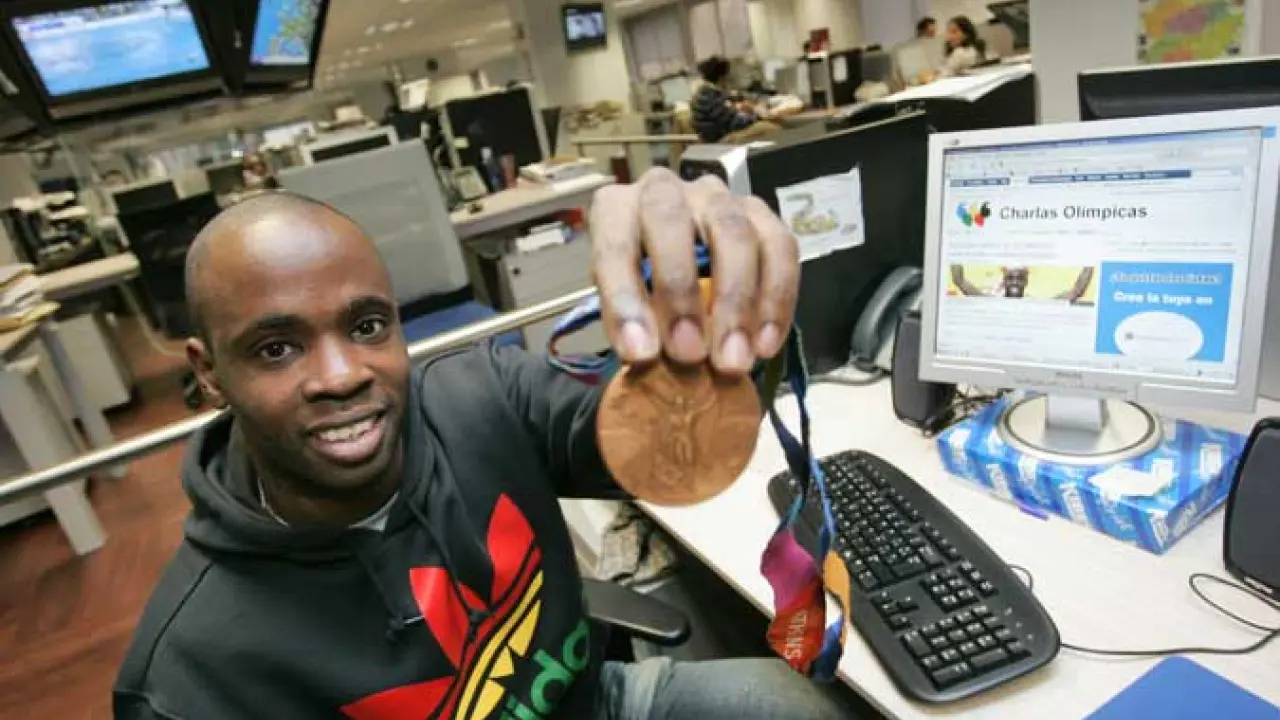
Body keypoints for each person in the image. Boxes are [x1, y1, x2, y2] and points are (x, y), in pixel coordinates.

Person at [112, 169, 857, 719]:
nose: (341, 376)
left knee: (791, 706)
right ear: (208, 373)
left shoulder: (480, 397)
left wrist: (712, 313)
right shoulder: (190, 673)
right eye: (276, 348)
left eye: (367, 326)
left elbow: (674, 441)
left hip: (591, 705)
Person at [691, 55, 760, 143]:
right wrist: (756, 115)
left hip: (715, 135)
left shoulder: (706, 92)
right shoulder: (710, 97)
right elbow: (735, 124)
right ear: (722, 77)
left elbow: (726, 113)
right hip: (718, 139)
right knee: (767, 127)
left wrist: (740, 107)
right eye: (727, 75)